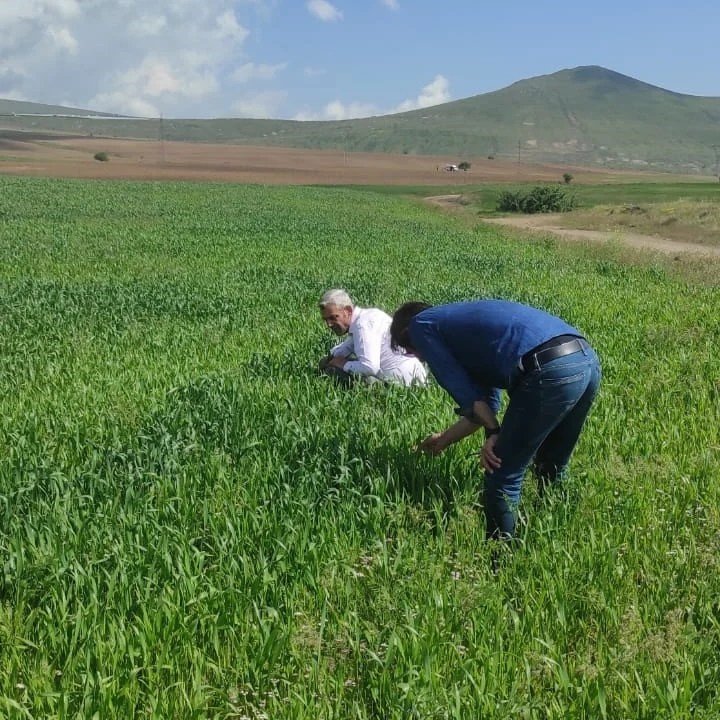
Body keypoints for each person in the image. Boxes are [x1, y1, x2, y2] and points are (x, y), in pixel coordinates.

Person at [390, 298, 601, 541]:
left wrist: (493, 432)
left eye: (409, 348)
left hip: (549, 369)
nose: (414, 355)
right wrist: (443, 441)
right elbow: (485, 408)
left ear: (408, 334)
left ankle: (500, 560)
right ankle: (563, 536)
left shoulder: (420, 325)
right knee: (552, 465)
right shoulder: (466, 334)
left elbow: (467, 397)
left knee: (502, 475)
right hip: (586, 361)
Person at [318, 289, 427, 387]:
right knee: (331, 364)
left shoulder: (363, 326)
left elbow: (369, 367)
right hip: (415, 376)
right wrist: (331, 357)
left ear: (347, 311)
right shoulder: (368, 316)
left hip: (399, 384)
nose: (329, 324)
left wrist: (342, 364)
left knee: (333, 371)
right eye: (326, 320)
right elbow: (348, 346)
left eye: (333, 317)